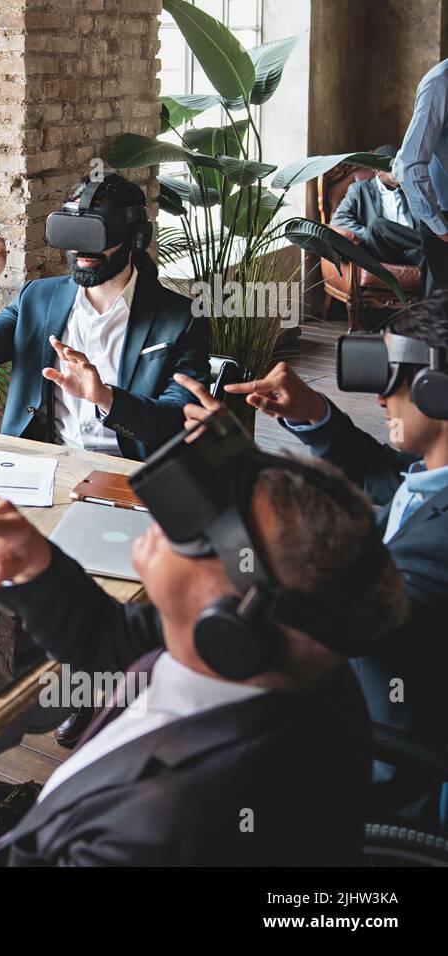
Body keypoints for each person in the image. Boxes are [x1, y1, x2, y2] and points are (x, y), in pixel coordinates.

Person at [0, 452, 407, 866]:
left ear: (230, 616)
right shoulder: (274, 657)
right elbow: (112, 647)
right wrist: (35, 563)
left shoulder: (163, 831)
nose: (165, 516)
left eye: (198, 529)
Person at [209, 294, 448, 825]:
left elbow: (326, 618)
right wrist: (312, 414)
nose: (379, 399)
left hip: (377, 764)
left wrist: (234, 476)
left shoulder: (434, 550)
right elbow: (389, 483)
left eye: (391, 378)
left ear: (437, 388)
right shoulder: (432, 476)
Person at [0, 172, 210, 461]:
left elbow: (180, 420)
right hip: (40, 464)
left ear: (136, 236)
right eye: (74, 231)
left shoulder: (180, 318)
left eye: (99, 233)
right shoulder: (38, 299)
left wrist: (106, 398)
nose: (83, 248)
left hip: (127, 471)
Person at [394, 59, 448, 293]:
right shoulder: (440, 82)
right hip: (444, 221)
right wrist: (442, 230)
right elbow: (408, 163)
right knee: (441, 318)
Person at [331, 145, 423, 268]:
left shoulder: (411, 189)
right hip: (381, 249)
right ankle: (432, 243)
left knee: (429, 257)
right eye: (391, 168)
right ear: (377, 171)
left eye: (399, 166)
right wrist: (368, 233)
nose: (397, 172)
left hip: (411, 249)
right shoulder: (360, 189)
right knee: (378, 225)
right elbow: (338, 220)